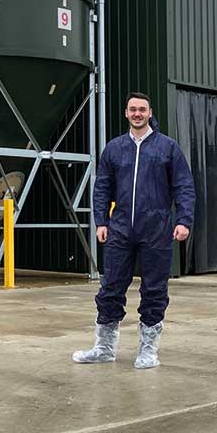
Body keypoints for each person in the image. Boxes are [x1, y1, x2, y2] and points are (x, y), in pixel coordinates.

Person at [72, 92, 195, 368]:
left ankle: (148, 351)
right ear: (126, 113)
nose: (137, 114)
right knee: (110, 288)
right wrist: (101, 221)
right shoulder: (115, 149)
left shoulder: (167, 148)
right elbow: (102, 187)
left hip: (157, 230)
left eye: (142, 109)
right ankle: (103, 348)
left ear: (150, 113)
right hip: (120, 230)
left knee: (154, 289)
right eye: (133, 109)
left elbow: (184, 186)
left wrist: (184, 220)